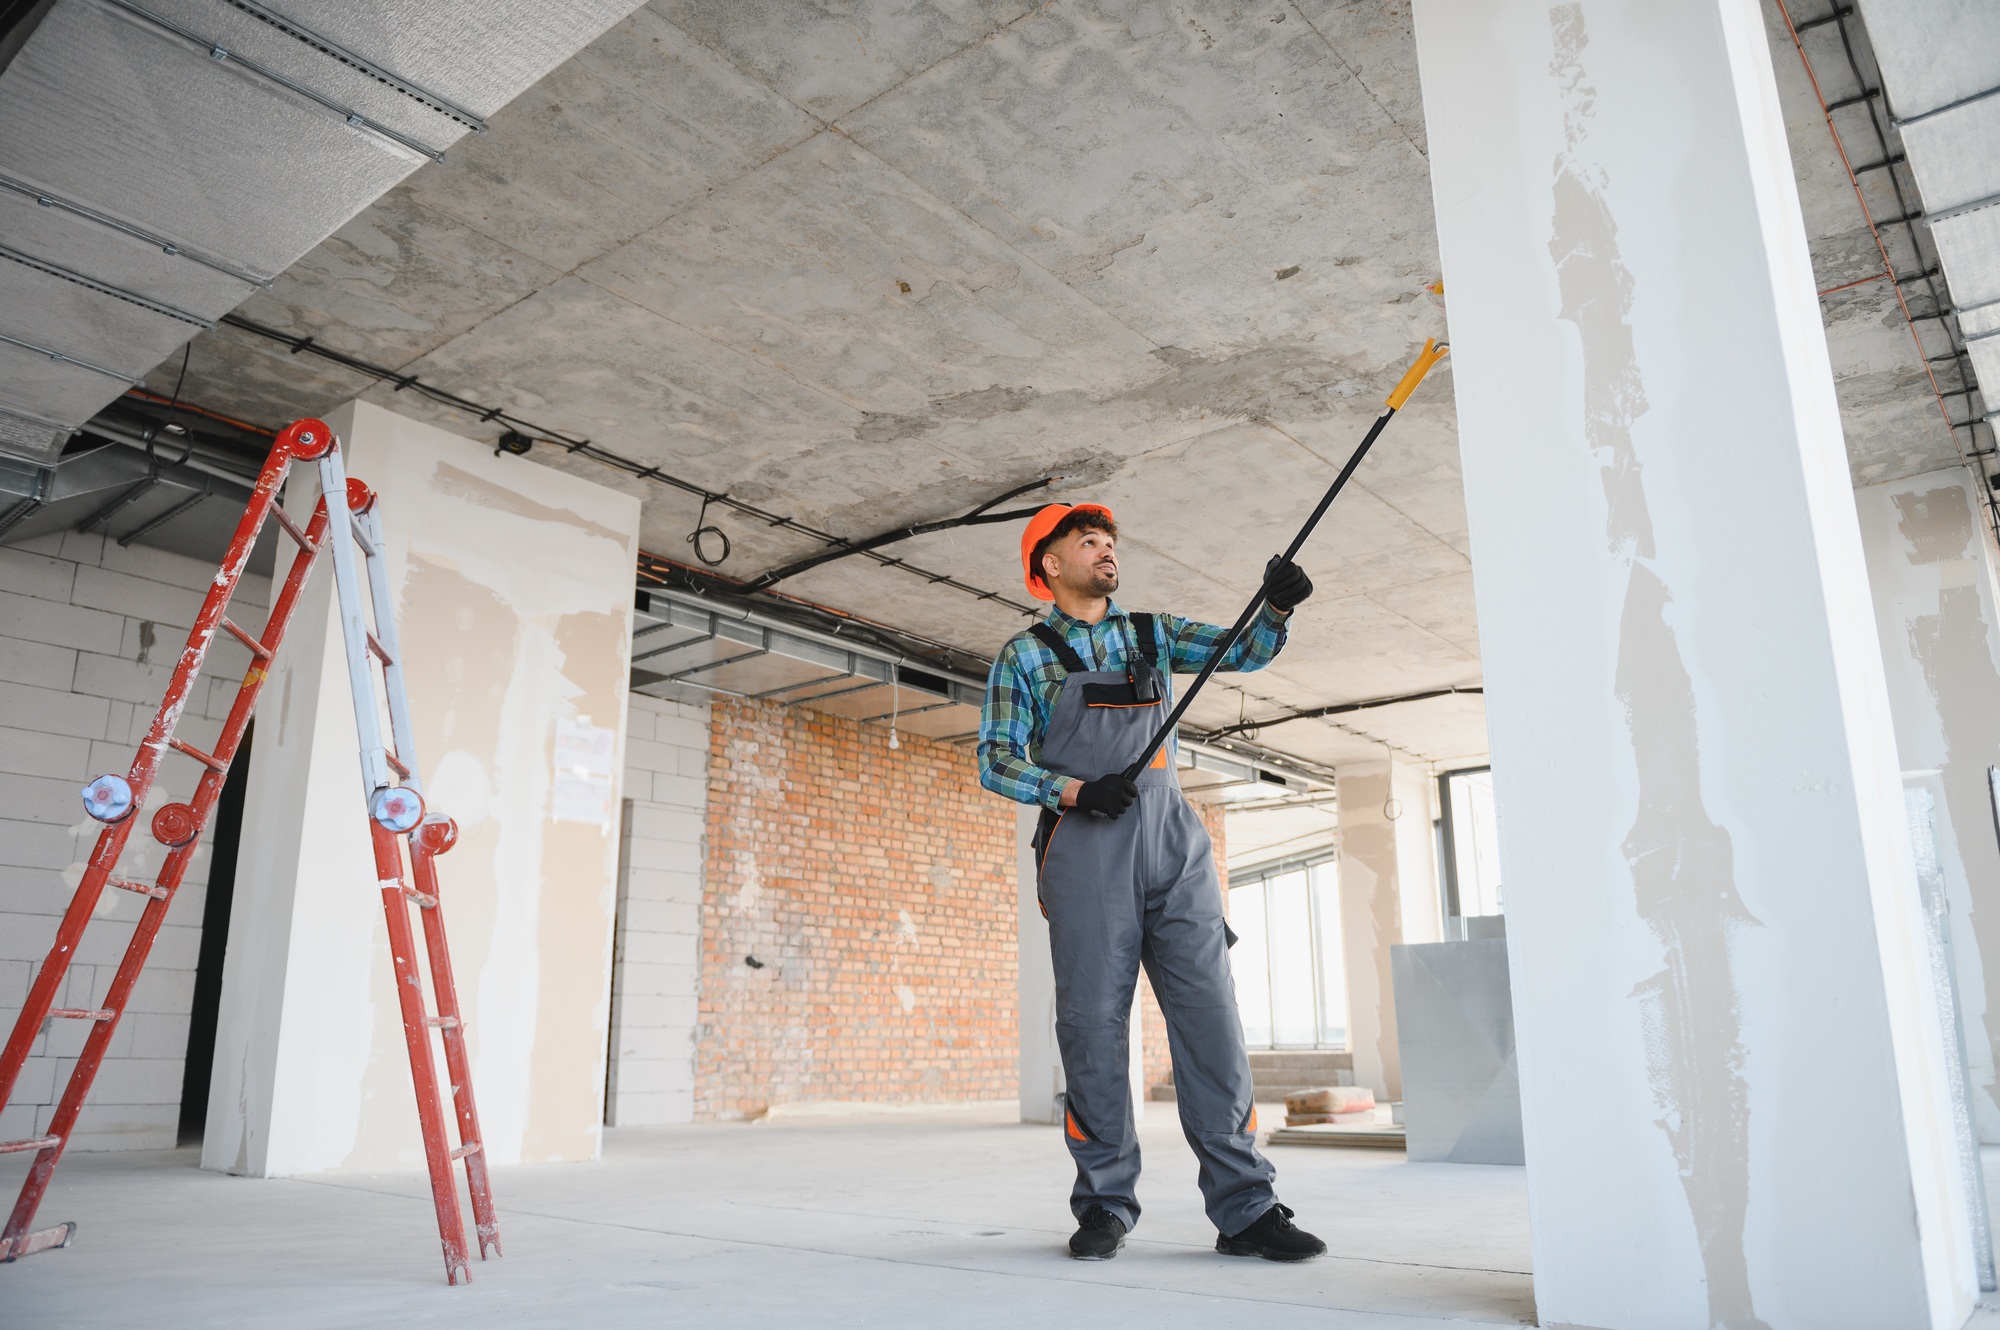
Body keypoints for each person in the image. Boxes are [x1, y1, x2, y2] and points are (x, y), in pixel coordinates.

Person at [976, 501, 1327, 1262]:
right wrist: (1071, 792)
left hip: (1173, 843)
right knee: (1094, 1034)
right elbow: (995, 759)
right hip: (1087, 848)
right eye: (1086, 541)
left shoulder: (1152, 634)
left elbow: (1243, 649)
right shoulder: (1026, 655)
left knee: (1212, 1025)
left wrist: (1274, 606)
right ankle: (1104, 1203)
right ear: (1049, 566)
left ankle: (1248, 1210)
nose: (1105, 551)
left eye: (1108, 541)